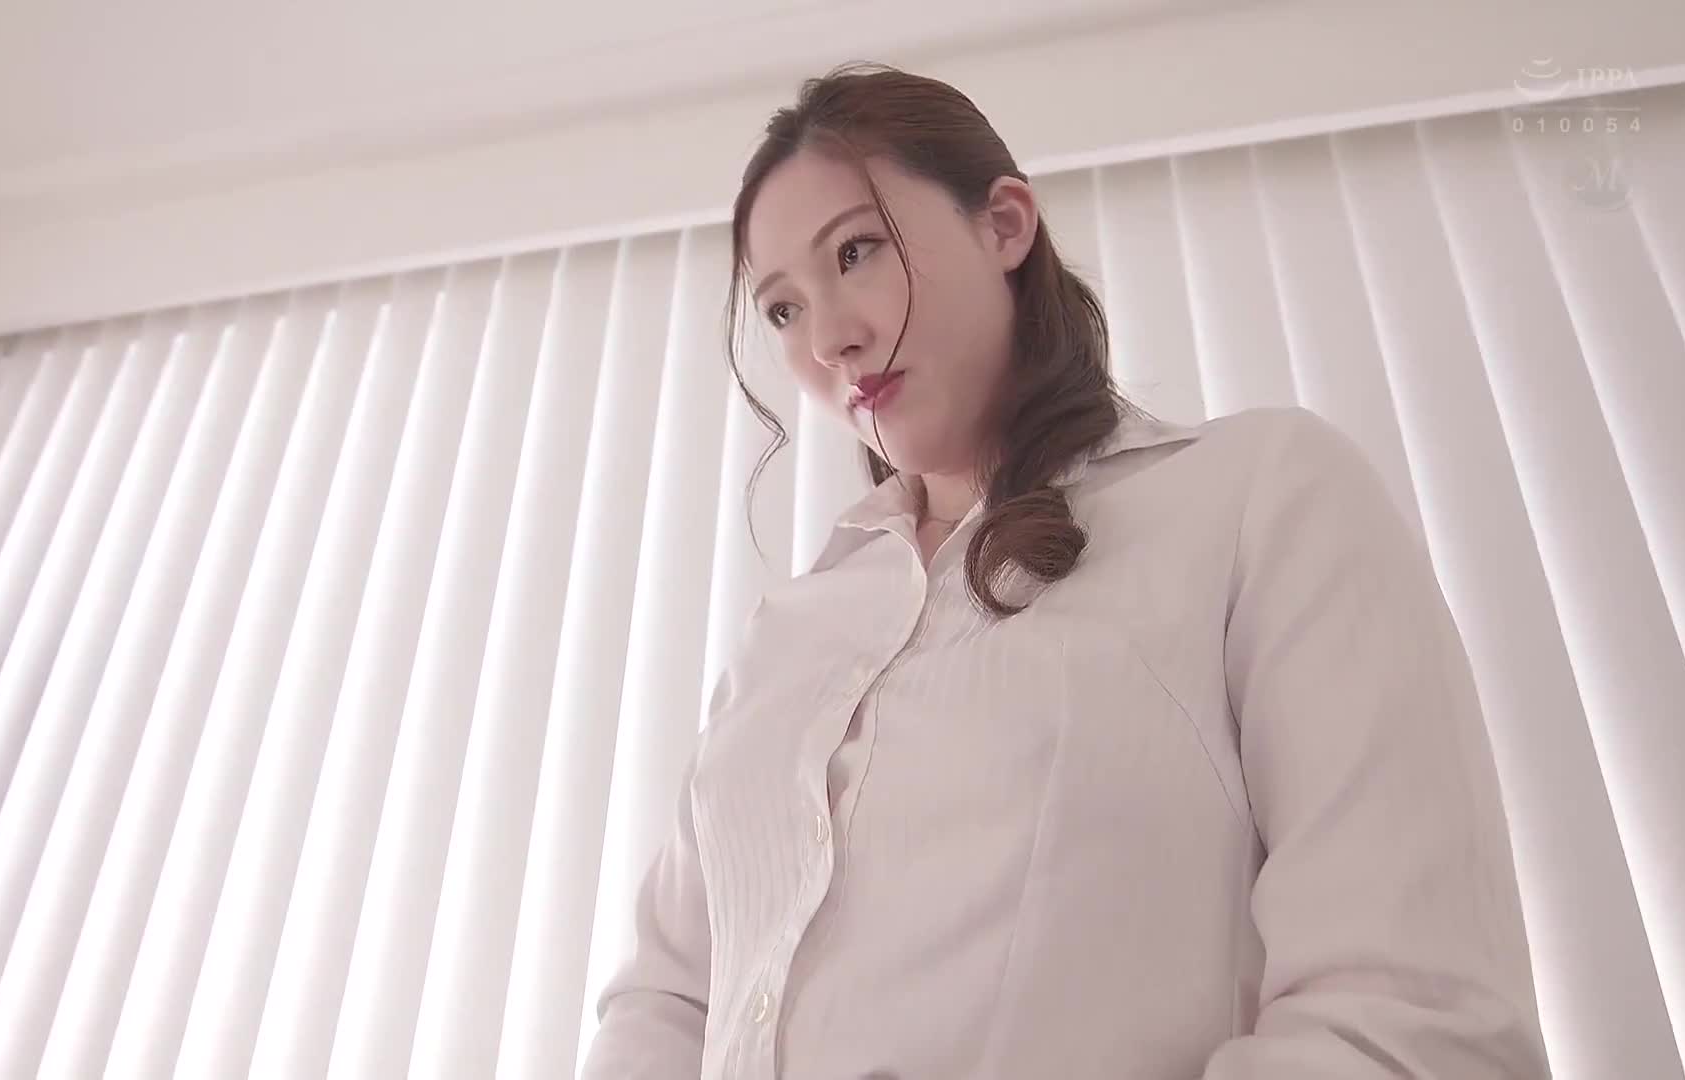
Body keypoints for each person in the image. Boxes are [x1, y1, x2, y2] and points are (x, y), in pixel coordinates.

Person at [580, 62, 1550, 1079]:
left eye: (856, 252)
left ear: (1004, 225)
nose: (829, 339)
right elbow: (668, 994)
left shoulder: (1257, 498)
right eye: (781, 310)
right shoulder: (787, 632)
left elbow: (1408, 1019)